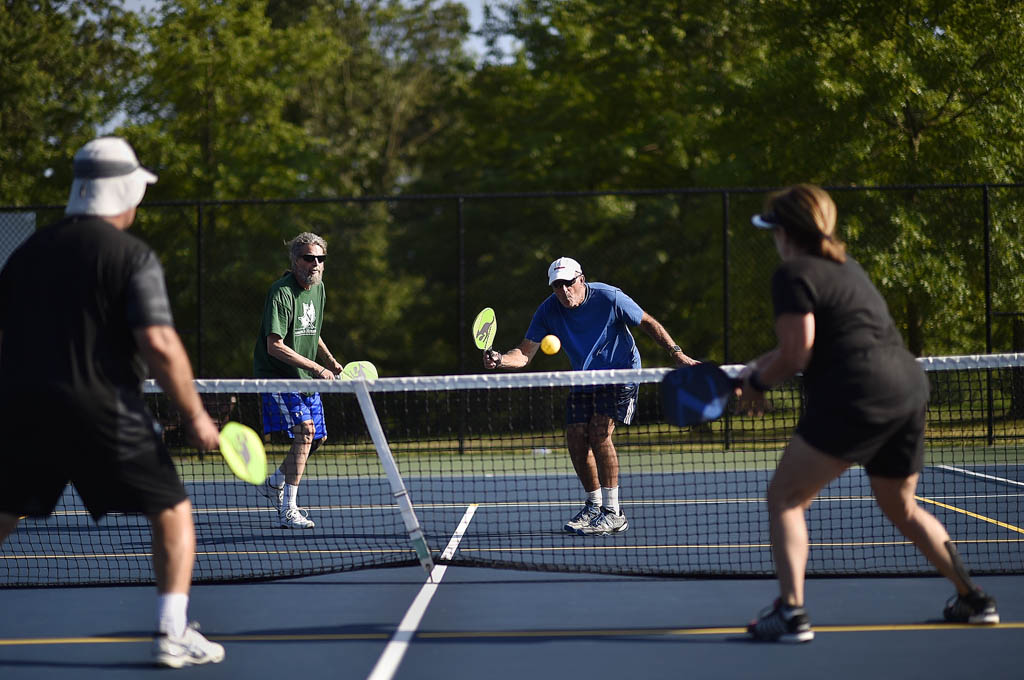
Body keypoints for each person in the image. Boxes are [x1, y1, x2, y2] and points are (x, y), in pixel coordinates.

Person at [737, 184, 999, 643]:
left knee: (786, 497)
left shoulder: (793, 273)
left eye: (773, 229)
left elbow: (798, 352)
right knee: (901, 504)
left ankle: (792, 614)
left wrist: (758, 383)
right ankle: (974, 599)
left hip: (857, 393)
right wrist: (755, 368)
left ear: (784, 232)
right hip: (908, 387)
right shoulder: (846, 269)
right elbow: (813, 341)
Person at [0, 137, 225, 667]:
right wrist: (194, 416)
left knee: (4, 514)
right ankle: (172, 632)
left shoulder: (27, 253)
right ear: (123, 191)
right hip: (105, 410)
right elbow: (161, 343)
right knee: (172, 510)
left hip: (24, 409)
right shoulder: (132, 255)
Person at [484, 257, 698, 535]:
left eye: (568, 283)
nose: (564, 291)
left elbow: (646, 321)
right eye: (557, 286)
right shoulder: (548, 310)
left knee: (599, 433)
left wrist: (676, 353)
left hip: (621, 374)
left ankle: (614, 512)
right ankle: (594, 505)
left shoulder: (609, 297)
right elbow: (524, 354)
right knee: (575, 436)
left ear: (581, 279)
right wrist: (500, 359)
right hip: (585, 378)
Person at [253, 232, 344, 529]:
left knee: (317, 438)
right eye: (308, 258)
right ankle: (288, 509)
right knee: (305, 432)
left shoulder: (319, 289)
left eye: (320, 259)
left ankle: (275, 483)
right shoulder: (281, 292)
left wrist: (329, 360)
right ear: (295, 261)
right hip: (278, 377)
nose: (315, 264)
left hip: (305, 376)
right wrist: (318, 369)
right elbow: (274, 345)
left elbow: (312, 331)